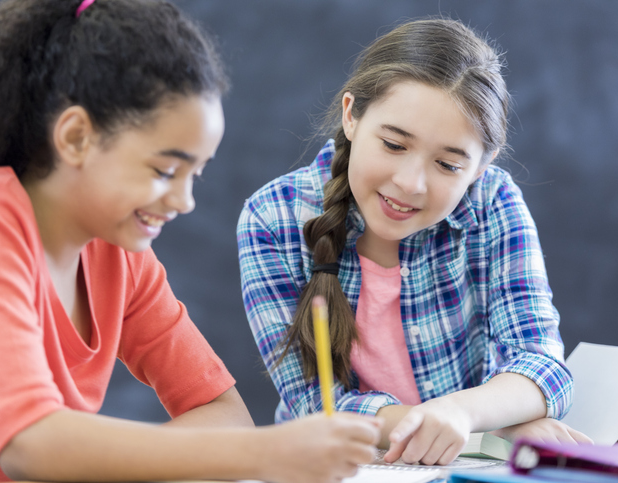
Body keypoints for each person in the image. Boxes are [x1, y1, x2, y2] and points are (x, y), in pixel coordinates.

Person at [0, 1, 381, 481]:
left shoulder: (121, 254)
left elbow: (224, 413)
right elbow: (28, 444)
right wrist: (264, 453)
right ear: (75, 137)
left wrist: (90, 459)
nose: (184, 200)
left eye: (195, 174)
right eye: (164, 171)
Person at [237, 17, 592, 467]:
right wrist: (467, 422)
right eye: (393, 144)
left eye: (447, 165)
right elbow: (315, 403)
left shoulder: (492, 200)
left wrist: (463, 414)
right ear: (351, 115)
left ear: (481, 166)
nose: (409, 184)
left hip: (461, 465)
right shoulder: (273, 216)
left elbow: (543, 366)